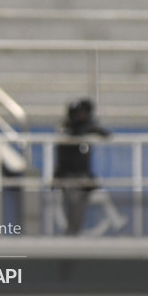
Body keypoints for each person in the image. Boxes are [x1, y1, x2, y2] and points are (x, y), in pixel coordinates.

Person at [54, 99, 110, 235]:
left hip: (83, 175)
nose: (82, 116)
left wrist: (91, 128)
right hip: (69, 176)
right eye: (79, 114)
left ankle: (74, 236)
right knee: (72, 209)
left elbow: (106, 134)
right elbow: (72, 135)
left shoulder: (88, 127)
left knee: (80, 210)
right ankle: (71, 238)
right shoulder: (66, 127)